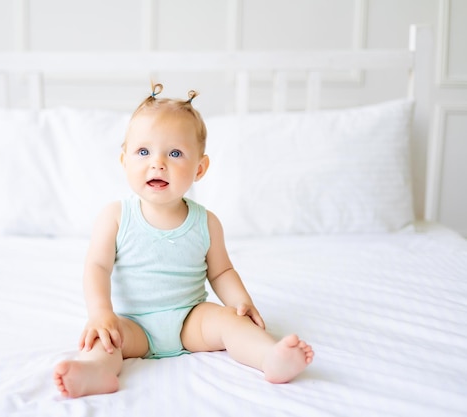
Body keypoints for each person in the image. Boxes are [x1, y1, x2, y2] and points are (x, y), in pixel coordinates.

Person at [53, 84, 314, 398]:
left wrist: (240, 302)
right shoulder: (115, 217)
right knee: (104, 338)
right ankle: (96, 370)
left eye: (175, 153)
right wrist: (101, 313)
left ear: (199, 168)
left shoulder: (207, 222)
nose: (158, 163)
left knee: (231, 322)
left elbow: (221, 272)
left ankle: (269, 357)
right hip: (133, 324)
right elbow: (96, 267)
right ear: (124, 161)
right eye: (143, 152)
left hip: (191, 319)